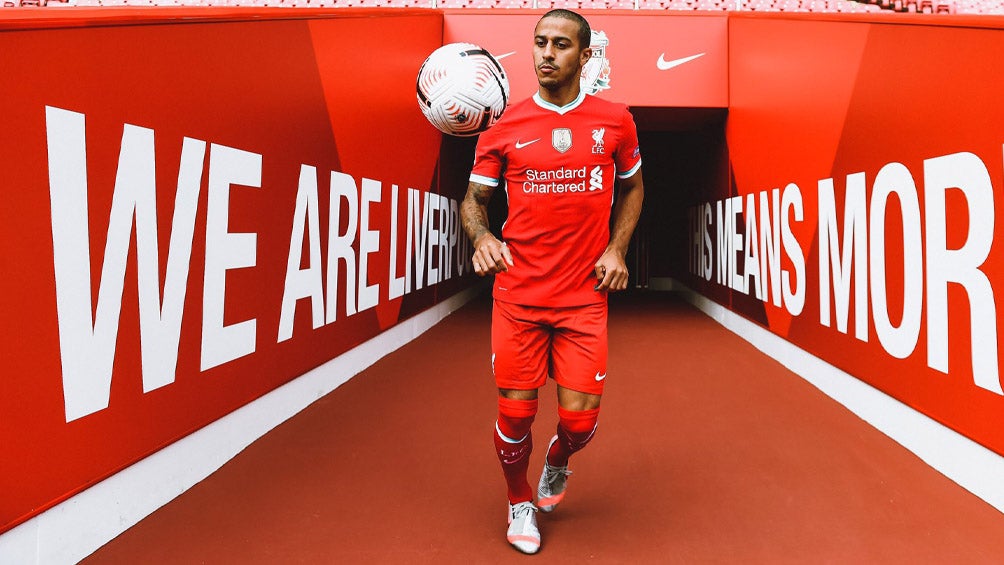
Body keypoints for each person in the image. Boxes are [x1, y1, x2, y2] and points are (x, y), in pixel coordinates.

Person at [459, 9, 644, 555]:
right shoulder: (504, 126)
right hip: (518, 295)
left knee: (579, 424)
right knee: (515, 413)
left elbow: (633, 190)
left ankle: (558, 460)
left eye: (560, 45)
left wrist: (617, 249)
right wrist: (482, 239)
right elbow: (475, 200)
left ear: (585, 57)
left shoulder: (616, 120)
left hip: (584, 297)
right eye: (539, 42)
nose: (546, 53)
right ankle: (520, 501)